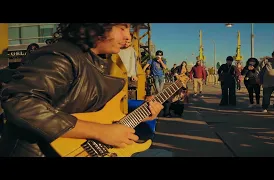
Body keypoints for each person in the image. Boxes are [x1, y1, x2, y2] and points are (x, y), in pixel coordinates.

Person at [0, 23, 171, 157]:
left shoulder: (96, 62)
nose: (128, 36)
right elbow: (21, 102)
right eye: (122, 28)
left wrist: (140, 114)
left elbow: (91, 113)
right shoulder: (60, 56)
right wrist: (101, 132)